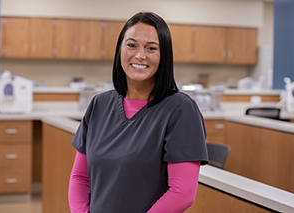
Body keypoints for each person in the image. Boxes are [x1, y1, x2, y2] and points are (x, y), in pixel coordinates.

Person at [68, 12, 208, 213]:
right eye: (132, 45)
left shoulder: (180, 110)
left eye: (151, 48)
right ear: (120, 50)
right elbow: (80, 177)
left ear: (164, 55)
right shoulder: (99, 104)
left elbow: (182, 192)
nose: (140, 55)